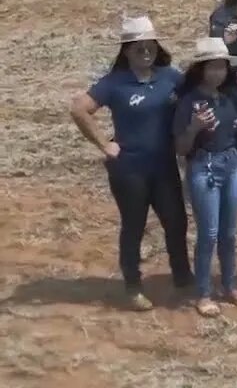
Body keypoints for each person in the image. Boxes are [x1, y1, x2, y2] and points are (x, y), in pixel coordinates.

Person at [69, 16, 192, 311]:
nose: (145, 52)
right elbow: (79, 109)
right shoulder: (115, 83)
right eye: (138, 48)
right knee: (134, 226)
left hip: (164, 166)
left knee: (176, 221)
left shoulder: (171, 77)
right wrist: (104, 144)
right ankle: (133, 286)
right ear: (126, 51)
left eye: (149, 46)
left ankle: (183, 278)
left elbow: (197, 94)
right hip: (130, 170)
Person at [174, 37, 237, 316]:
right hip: (203, 166)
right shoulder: (189, 102)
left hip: (230, 163)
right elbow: (180, 148)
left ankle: (230, 286)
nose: (217, 73)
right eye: (212, 68)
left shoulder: (229, 97)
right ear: (201, 69)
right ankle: (203, 293)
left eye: (221, 67)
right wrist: (195, 128)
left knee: (229, 233)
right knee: (209, 234)